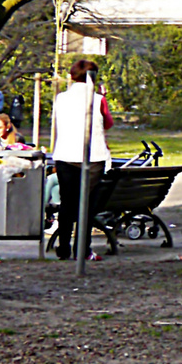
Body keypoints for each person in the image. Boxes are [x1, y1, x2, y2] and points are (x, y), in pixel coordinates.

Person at [50, 60, 112, 262]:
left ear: (71, 77)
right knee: (87, 204)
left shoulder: (61, 99)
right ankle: (83, 248)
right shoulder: (97, 99)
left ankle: (63, 246)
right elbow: (108, 123)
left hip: (65, 154)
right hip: (93, 156)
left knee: (67, 202)